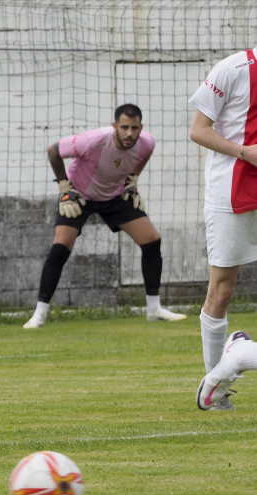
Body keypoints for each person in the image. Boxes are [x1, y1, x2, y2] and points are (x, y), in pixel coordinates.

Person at [23, 104, 186, 329]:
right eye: (124, 127)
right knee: (60, 247)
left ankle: (154, 309)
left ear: (141, 127)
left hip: (115, 196)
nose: (129, 133)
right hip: (79, 194)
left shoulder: (147, 143)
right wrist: (64, 188)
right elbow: (53, 151)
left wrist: (133, 181)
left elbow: (144, 156)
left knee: (152, 241)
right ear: (114, 127)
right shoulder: (92, 140)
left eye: (134, 128)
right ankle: (39, 315)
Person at [189, 46, 257, 410]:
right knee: (223, 289)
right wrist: (246, 151)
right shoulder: (234, 67)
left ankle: (239, 356)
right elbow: (198, 130)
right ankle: (217, 387)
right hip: (231, 193)